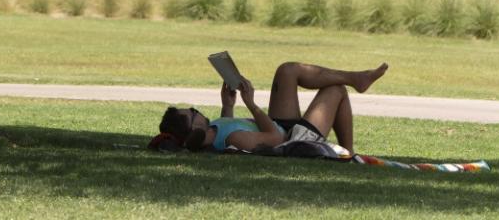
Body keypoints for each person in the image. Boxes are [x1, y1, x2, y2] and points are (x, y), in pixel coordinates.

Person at [161, 60, 388, 154]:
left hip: (281, 124)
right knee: (336, 90)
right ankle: (349, 155)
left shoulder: (215, 129)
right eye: (191, 113)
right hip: (295, 137)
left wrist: (228, 105)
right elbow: (276, 140)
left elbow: (225, 125)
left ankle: (357, 77)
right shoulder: (235, 141)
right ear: (193, 130)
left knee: (287, 70)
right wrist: (251, 105)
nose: (195, 110)